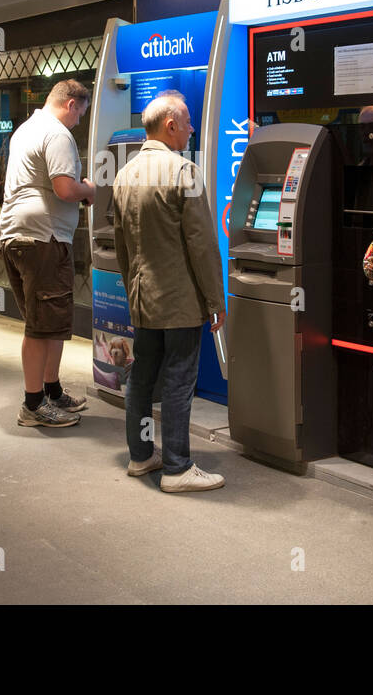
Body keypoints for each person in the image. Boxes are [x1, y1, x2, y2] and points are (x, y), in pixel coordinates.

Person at [112, 92, 227, 493]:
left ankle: (141, 456)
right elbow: (202, 244)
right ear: (170, 125)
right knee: (179, 381)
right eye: (188, 122)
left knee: (142, 379)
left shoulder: (124, 175)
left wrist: (133, 291)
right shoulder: (185, 172)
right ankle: (178, 469)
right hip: (180, 301)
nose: (192, 129)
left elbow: (121, 246)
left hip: (144, 298)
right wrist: (217, 300)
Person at [0, 79, 95, 427]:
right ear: (70, 104)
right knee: (41, 326)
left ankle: (52, 391)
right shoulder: (57, 134)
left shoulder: (27, 129)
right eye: (80, 114)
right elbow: (65, 188)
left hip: (19, 236)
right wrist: (90, 190)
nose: (79, 122)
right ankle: (33, 404)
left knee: (50, 322)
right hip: (43, 238)